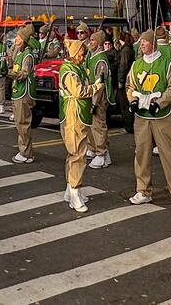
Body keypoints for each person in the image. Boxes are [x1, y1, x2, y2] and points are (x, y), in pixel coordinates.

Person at [126, 29, 171, 212]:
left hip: (163, 117)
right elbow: (130, 86)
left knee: (169, 155)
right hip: (142, 118)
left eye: (145, 42)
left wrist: (160, 103)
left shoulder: (166, 63)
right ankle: (143, 191)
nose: (142, 44)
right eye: (142, 43)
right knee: (142, 154)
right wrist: (133, 101)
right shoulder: (137, 64)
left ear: (152, 43)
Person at [59, 38, 94, 212]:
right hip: (74, 115)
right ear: (74, 54)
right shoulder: (70, 71)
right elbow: (79, 91)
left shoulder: (76, 68)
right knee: (78, 154)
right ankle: (74, 193)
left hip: (76, 114)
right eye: (81, 53)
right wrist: (97, 87)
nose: (83, 56)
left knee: (74, 153)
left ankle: (70, 190)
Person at [9, 26, 37, 164]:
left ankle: (26, 152)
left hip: (24, 93)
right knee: (19, 123)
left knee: (23, 123)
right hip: (17, 91)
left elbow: (24, 74)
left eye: (19, 37)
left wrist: (8, 73)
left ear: (24, 40)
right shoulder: (19, 53)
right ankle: (24, 150)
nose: (16, 39)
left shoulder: (28, 55)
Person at [87, 29, 114, 169]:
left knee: (98, 126)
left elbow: (100, 83)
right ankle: (97, 150)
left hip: (99, 98)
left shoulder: (100, 60)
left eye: (93, 40)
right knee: (93, 126)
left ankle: (101, 154)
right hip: (93, 96)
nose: (90, 42)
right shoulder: (94, 56)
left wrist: (94, 102)